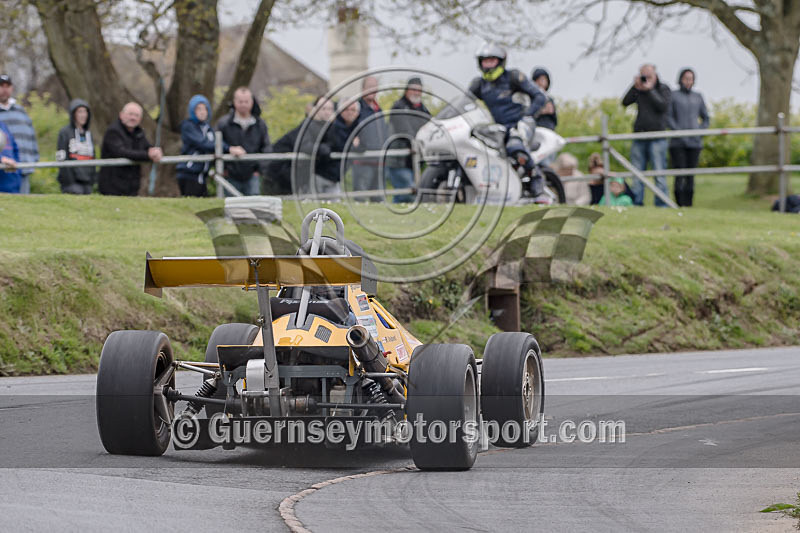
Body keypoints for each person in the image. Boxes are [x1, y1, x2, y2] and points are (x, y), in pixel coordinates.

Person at [468, 43, 550, 203]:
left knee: (515, 147)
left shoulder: (513, 77)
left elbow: (540, 96)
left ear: (500, 61)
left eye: (492, 60)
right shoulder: (479, 84)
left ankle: (538, 185)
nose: (488, 65)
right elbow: (465, 101)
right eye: (485, 61)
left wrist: (527, 115)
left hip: (521, 123)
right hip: (498, 128)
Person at [622, 64, 672, 207]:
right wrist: (634, 87)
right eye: (643, 75)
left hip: (658, 137)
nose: (645, 79)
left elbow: (663, 106)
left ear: (655, 75)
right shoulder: (639, 89)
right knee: (637, 173)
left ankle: (662, 204)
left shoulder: (663, 89)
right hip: (640, 136)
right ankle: (637, 203)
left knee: (659, 173)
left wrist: (650, 90)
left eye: (648, 76)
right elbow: (625, 102)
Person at [98, 102, 162, 196]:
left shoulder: (139, 132)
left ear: (140, 119)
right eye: (130, 114)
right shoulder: (113, 131)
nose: (133, 118)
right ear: (121, 114)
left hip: (131, 186)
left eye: (136, 115)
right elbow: (122, 152)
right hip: (112, 186)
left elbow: (147, 147)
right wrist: (147, 155)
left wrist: (155, 151)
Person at [216, 87, 270, 196]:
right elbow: (215, 144)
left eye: (246, 101)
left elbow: (266, 147)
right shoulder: (224, 123)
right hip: (230, 176)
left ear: (252, 102)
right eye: (240, 101)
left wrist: (259, 169)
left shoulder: (260, 124)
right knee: (232, 208)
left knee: (253, 207)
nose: (243, 104)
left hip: (252, 176)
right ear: (234, 102)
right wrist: (224, 168)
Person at [667, 68, 709, 207]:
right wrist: (679, 132)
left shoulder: (698, 97)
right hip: (678, 143)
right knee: (680, 173)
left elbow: (705, 118)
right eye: (686, 78)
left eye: (690, 78)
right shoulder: (673, 96)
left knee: (690, 175)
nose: (688, 81)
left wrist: (699, 131)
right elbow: (669, 117)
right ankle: (678, 204)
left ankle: (689, 204)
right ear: (680, 79)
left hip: (694, 143)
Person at [386, 77, 431, 203]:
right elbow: (406, 132)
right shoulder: (399, 107)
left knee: (406, 195)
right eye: (413, 89)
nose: (416, 93)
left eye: (419, 90)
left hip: (415, 161)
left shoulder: (423, 109)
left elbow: (430, 128)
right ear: (407, 90)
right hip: (399, 161)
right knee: (406, 194)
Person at [0, 74, 38, 194]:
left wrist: (33, 160)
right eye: (1, 86)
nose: (5, 89)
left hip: (23, 167)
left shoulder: (21, 111)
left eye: (8, 86)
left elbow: (31, 136)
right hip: (3, 172)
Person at [352, 76, 388, 200]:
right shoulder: (356, 108)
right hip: (362, 162)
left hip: (379, 162)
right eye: (369, 87)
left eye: (374, 86)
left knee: (379, 201)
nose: (372, 90)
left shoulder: (379, 110)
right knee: (360, 200)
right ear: (363, 89)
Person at [176, 94, 218, 197]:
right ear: (192, 111)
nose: (202, 112)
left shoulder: (207, 128)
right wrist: (222, 147)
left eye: (205, 109)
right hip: (189, 175)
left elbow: (216, 142)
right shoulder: (188, 126)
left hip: (202, 176)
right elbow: (203, 143)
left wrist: (230, 148)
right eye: (199, 109)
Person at [55, 99, 96, 194]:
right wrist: (69, 182)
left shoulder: (88, 134)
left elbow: (93, 158)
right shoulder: (64, 133)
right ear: (73, 114)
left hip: (87, 183)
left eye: (85, 111)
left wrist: (92, 180)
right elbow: (61, 157)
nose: (83, 115)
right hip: (71, 184)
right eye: (80, 112)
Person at [0, 121, 21, 193]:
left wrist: (16, 167)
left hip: (12, 184)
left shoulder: (3, 125)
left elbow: (15, 149)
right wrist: (1, 159)